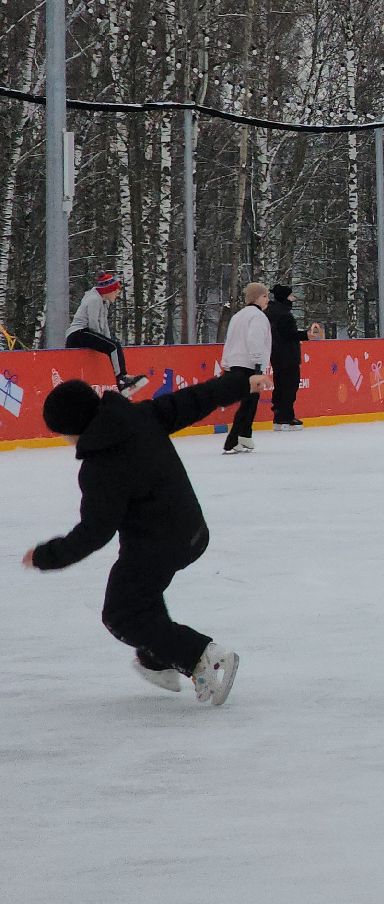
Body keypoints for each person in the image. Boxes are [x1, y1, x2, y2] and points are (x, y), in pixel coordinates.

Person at [20, 367, 268, 706]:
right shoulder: (140, 416)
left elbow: (94, 532)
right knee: (139, 595)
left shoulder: (100, 467)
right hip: (191, 530)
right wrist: (240, 383)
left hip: (157, 544)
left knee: (121, 613)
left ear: (73, 428)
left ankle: (201, 656)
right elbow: (193, 400)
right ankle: (157, 659)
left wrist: (46, 556)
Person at [65, 271, 147, 395]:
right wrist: (105, 343)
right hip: (78, 333)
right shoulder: (94, 299)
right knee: (113, 347)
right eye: (116, 291)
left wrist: (107, 340)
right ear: (109, 290)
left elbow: (104, 325)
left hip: (86, 332)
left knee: (114, 345)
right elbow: (93, 324)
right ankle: (122, 379)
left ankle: (123, 378)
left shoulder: (104, 301)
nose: (117, 294)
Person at [218, 283, 272, 454]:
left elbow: (230, 340)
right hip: (249, 365)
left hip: (236, 363)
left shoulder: (238, 316)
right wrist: (258, 365)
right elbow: (255, 339)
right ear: (256, 298)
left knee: (250, 402)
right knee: (248, 403)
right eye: (264, 296)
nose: (267, 299)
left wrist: (226, 362)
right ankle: (233, 440)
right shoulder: (257, 317)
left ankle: (245, 436)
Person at [266, 284, 324, 430]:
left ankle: (280, 416)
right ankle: (285, 417)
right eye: (291, 296)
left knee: (280, 385)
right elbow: (288, 334)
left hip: (276, 354)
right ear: (285, 297)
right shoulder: (284, 314)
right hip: (287, 356)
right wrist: (306, 335)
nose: (293, 298)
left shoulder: (271, 312)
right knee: (289, 386)